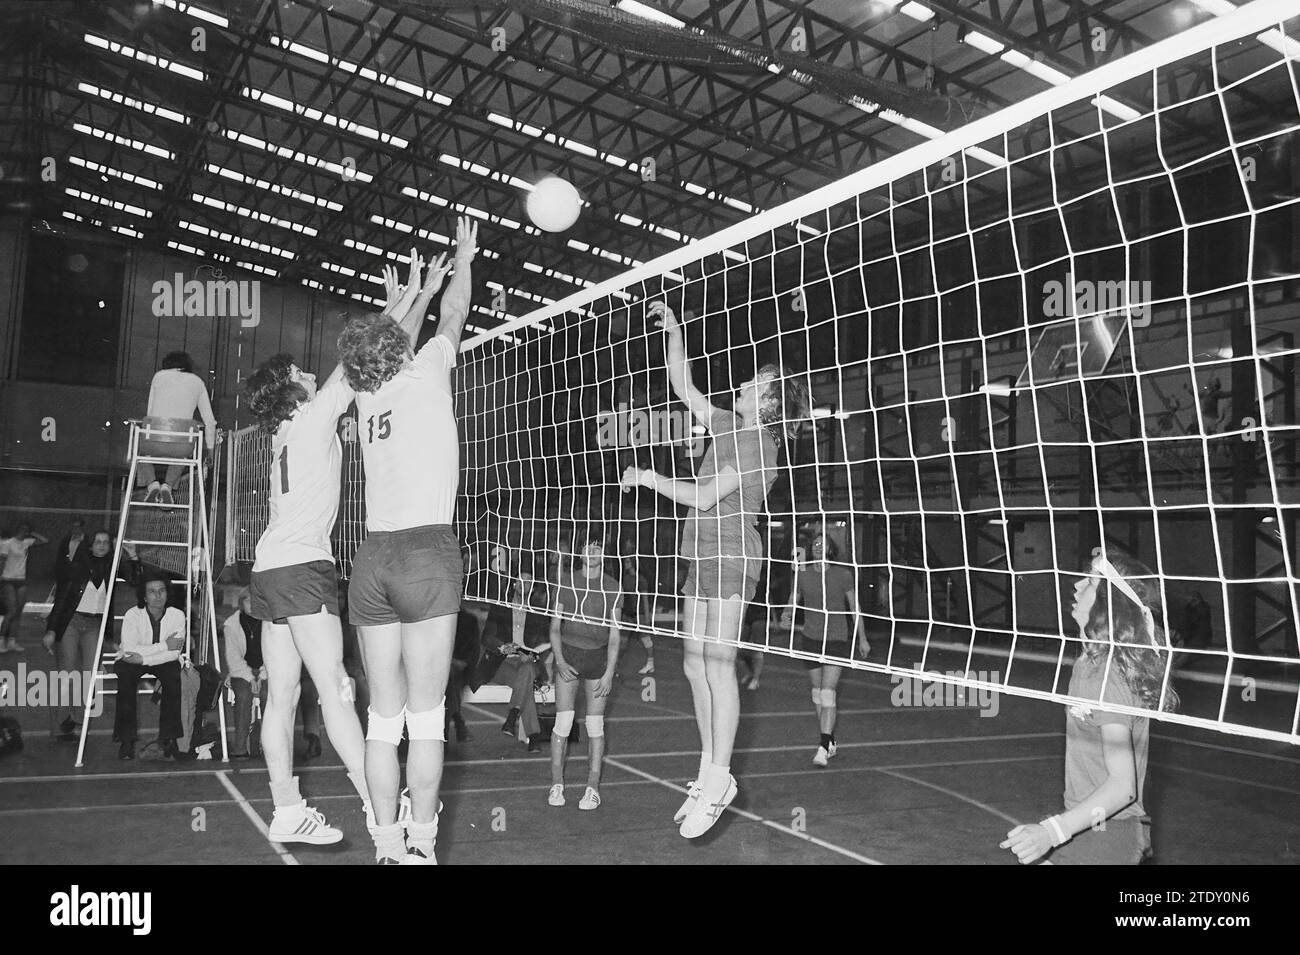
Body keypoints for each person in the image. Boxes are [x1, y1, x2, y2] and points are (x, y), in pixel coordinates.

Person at [620, 300, 810, 838]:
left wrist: (649, 478)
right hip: (699, 551)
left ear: (770, 399)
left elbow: (706, 496)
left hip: (731, 552)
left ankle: (721, 776)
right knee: (692, 665)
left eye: (757, 382)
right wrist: (676, 331)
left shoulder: (760, 444)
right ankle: (708, 773)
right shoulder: (727, 422)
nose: (746, 383)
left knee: (719, 666)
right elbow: (682, 385)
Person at [336, 216, 477, 864]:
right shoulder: (426, 373)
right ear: (400, 344)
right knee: (427, 716)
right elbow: (453, 313)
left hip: (371, 559)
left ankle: (386, 844)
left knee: (382, 720)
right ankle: (422, 844)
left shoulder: (363, 397)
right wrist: (462, 259)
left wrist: (410, 293)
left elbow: (399, 330)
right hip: (424, 552)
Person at [245, 332, 400, 843]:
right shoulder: (311, 418)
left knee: (281, 697)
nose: (310, 374)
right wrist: (402, 303)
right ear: (292, 390)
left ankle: (286, 810)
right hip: (301, 567)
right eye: (299, 373)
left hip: (267, 569)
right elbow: (355, 360)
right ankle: (380, 805)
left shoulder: (279, 437)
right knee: (336, 688)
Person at [1001, 548, 1178, 865]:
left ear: (1106, 604)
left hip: (1108, 835)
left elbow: (1123, 786)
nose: (1076, 587)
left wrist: (1051, 832)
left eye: (1089, 582)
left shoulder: (1106, 674)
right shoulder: (1091, 664)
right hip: (1091, 827)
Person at [547, 534, 621, 811]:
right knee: (563, 723)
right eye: (587, 547)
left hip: (598, 659)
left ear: (604, 553)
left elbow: (615, 635)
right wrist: (561, 661)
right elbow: (555, 627)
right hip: (569, 654)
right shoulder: (566, 582)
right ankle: (557, 784)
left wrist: (609, 672)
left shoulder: (613, 587)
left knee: (595, 726)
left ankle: (592, 788)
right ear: (580, 554)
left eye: (598, 546)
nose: (592, 551)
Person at [43, 532, 141, 737]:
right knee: (67, 674)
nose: (102, 546)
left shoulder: (112, 566)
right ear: (90, 545)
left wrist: (132, 556)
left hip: (95, 625)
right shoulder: (76, 567)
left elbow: (135, 580)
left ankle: (77, 719)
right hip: (70, 622)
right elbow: (61, 599)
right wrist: (51, 630)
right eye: (98, 542)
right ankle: (59, 722)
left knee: (89, 676)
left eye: (106, 543)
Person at [784, 533, 866, 767]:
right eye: (816, 544)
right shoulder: (803, 573)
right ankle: (829, 740)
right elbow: (793, 598)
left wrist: (862, 637)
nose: (819, 547)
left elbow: (854, 607)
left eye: (824, 544)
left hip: (836, 639)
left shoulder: (843, 574)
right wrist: (786, 614)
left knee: (828, 693)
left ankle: (822, 747)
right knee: (818, 694)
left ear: (830, 548)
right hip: (810, 638)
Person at [114, 575, 193, 761]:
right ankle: (127, 741)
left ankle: (168, 738)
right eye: (152, 591)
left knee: (174, 677)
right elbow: (130, 649)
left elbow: (175, 653)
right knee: (125, 676)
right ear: (144, 596)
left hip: (154, 660)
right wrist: (164, 645)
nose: (158, 596)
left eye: (162, 591)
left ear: (167, 593)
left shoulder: (177, 615)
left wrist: (143, 660)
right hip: (132, 660)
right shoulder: (133, 615)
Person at [482, 562, 552, 752]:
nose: (524, 584)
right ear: (514, 583)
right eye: (521, 580)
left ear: (533, 586)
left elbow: (546, 643)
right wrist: (502, 647)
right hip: (501, 663)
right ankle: (533, 734)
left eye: (529, 581)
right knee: (526, 682)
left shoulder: (538, 611)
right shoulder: (500, 607)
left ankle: (513, 717)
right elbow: (486, 638)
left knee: (527, 671)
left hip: (527, 663)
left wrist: (532, 653)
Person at [139, 351, 218, 505]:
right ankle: (167, 487)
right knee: (182, 453)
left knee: (141, 451)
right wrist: (210, 450)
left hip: (153, 440)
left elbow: (150, 413)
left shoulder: (159, 377)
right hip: (182, 445)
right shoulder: (198, 382)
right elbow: (210, 421)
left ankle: (152, 484)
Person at [223, 590, 268, 759]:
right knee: (242, 695)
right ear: (242, 603)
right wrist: (250, 677)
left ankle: (269, 743)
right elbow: (233, 658)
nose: (254, 605)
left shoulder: (270, 623)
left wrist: (262, 675)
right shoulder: (231, 625)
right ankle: (240, 747)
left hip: (267, 670)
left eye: (258, 600)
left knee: (268, 694)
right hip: (241, 671)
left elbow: (274, 654)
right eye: (250, 601)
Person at [1, 523, 49, 652]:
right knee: (11, 610)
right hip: (8, 579)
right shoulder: (8, 543)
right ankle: (1, 640)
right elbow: (2, 561)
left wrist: (33, 533)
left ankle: (12, 641)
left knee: (18, 612)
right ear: (18, 530)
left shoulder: (26, 542)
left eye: (27, 530)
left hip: (21, 580)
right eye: (23, 529)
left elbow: (45, 541)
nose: (25, 532)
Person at [617, 555, 655, 677]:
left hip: (639, 614)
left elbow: (644, 599)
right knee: (622, 641)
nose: (625, 563)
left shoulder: (641, 579)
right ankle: (615, 666)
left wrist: (647, 617)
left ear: (633, 563)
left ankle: (650, 664)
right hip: (627, 613)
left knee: (645, 638)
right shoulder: (626, 578)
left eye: (627, 561)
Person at [53, 518, 87, 591]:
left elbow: (87, 558)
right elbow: (60, 556)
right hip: (65, 572)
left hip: (79, 573)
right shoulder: (66, 540)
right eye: (73, 526)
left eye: (77, 527)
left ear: (82, 528)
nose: (75, 529)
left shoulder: (86, 540)